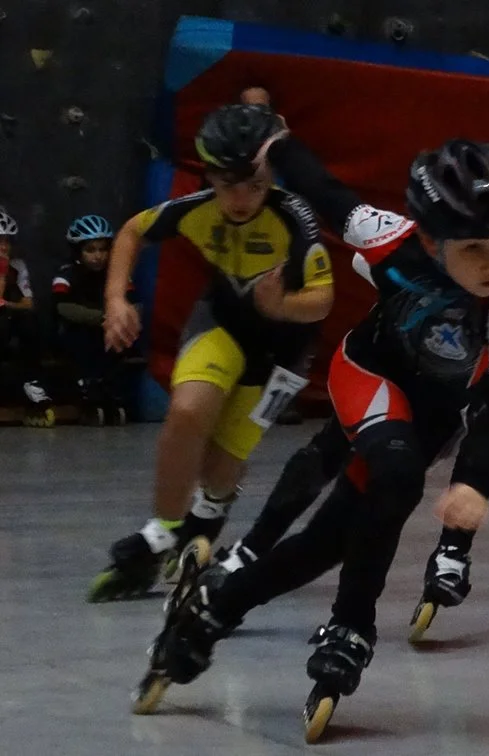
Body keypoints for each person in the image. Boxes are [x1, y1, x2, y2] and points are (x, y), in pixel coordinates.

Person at [135, 139, 489, 743]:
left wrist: (477, 482)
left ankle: (212, 610)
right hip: (369, 373)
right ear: (432, 240)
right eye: (474, 248)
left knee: (325, 544)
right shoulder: (390, 238)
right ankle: (352, 625)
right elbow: (325, 191)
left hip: (433, 413)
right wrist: (277, 144)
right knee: (397, 478)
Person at [208, 133, 489, 641]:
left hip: (466, 356)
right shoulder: (435, 236)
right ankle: (253, 550)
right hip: (400, 351)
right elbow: (340, 210)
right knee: (335, 451)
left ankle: (450, 551)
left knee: (460, 431)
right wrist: (279, 145)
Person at [87, 103, 335, 602]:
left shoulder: (296, 220)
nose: (242, 198)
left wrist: (283, 305)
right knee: (186, 412)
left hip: (283, 347)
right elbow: (132, 231)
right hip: (224, 321)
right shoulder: (196, 209)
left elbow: (323, 299)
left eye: (256, 185)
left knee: (223, 462)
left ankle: (210, 511)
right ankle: (162, 531)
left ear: (272, 176)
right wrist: (115, 299)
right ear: (210, 176)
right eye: (228, 184)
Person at [53, 215, 132, 425]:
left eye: (102, 249)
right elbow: (63, 307)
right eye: (90, 250)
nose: (98, 256)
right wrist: (102, 317)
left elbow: (133, 302)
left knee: (118, 340)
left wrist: (120, 319)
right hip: (77, 332)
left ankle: (111, 389)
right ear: (77, 251)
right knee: (82, 338)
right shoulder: (67, 275)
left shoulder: (116, 275)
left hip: (108, 331)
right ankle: (88, 388)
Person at [0, 210, 55, 426]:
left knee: (29, 322)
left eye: (7, 241)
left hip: (8, 319)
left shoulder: (17, 266)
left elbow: (28, 303)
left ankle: (32, 384)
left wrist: (7, 304)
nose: (4, 247)